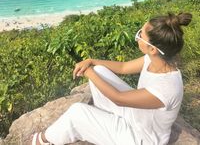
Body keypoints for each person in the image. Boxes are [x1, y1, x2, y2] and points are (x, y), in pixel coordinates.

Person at [31, 12, 192, 145]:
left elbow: (119, 99)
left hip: (142, 138)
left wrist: (89, 73)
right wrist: (92, 62)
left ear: (152, 49)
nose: (136, 38)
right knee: (100, 70)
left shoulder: (167, 87)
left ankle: (43, 140)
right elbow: (123, 67)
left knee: (77, 112)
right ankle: (103, 117)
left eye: (140, 35)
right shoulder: (154, 59)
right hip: (137, 116)